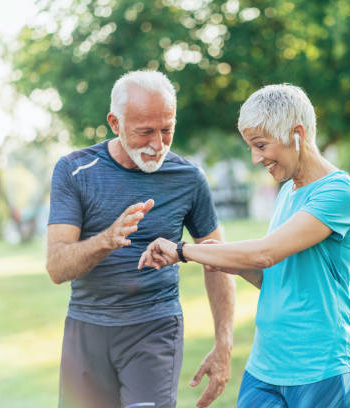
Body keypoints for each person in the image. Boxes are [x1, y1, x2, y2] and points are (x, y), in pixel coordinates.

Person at [139, 84, 350, 407]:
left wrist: (184, 251)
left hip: (321, 369)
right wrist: (215, 257)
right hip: (265, 368)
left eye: (261, 145)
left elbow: (265, 253)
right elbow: (268, 275)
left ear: (297, 133)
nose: (256, 158)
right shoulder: (288, 192)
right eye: (251, 147)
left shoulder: (339, 192)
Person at [46, 70, 235, 408]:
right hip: (86, 330)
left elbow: (218, 260)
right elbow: (57, 267)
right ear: (115, 123)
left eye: (167, 130)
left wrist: (224, 345)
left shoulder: (188, 178)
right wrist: (106, 239)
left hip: (154, 328)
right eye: (145, 132)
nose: (158, 144)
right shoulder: (73, 170)